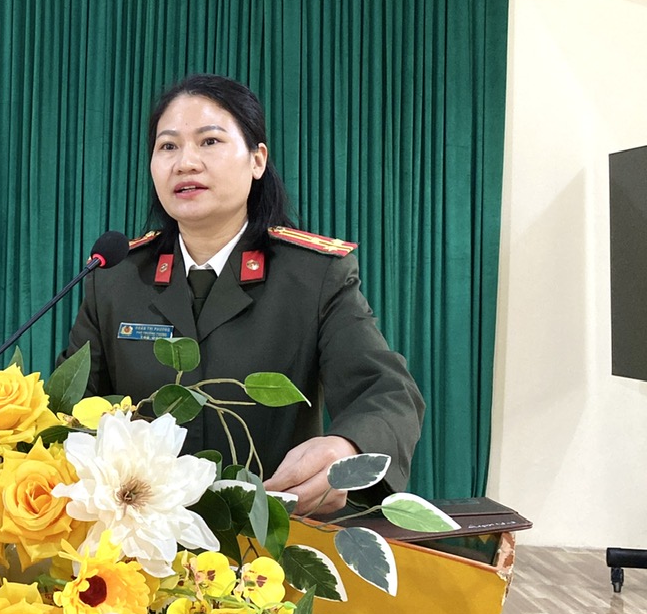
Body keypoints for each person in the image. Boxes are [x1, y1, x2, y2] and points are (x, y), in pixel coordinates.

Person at [63, 73, 425, 517]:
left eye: (210, 141)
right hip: (136, 537)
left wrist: (348, 447)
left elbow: (387, 392)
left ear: (257, 160)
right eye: (168, 146)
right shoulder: (115, 277)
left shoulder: (312, 276)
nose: (186, 163)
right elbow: (72, 411)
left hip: (270, 537)